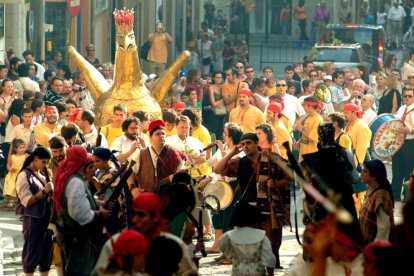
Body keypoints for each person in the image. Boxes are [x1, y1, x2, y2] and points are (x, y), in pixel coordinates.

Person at [214, 132, 291, 269]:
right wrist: (232, 153)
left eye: (248, 143)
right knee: (250, 248)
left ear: (256, 143)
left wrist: (275, 184)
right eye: (243, 144)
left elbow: (289, 176)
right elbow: (217, 169)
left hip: (269, 209)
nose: (245, 147)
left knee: (271, 244)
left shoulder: (272, 158)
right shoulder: (239, 162)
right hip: (248, 210)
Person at [93, 192, 198, 276]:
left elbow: (188, 272)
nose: (134, 220)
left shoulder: (173, 245)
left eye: (141, 215)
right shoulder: (116, 242)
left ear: (155, 217)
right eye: (133, 214)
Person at [53, 145, 112, 276]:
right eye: (90, 166)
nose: (93, 169)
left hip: (73, 235)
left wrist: (98, 202)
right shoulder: (75, 182)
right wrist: (99, 214)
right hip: (76, 236)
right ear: (81, 164)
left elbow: (80, 200)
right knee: (79, 271)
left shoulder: (75, 179)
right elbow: (79, 213)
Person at [15, 147, 53, 275]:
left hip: (46, 217)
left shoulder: (42, 174)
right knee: (32, 251)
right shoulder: (23, 175)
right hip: (33, 219)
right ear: (35, 159)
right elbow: (26, 201)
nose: (46, 165)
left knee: (47, 252)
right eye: (44, 162)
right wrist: (43, 192)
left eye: (47, 162)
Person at [128, 120, 186, 197]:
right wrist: (132, 188)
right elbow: (129, 171)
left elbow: (180, 172)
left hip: (168, 198)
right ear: (151, 138)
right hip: (146, 197)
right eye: (157, 134)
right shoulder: (140, 154)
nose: (161, 136)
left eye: (163, 133)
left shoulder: (173, 153)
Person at [219, 201, 276, 276]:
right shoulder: (261, 236)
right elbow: (269, 259)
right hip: (257, 272)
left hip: (238, 272)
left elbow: (222, 246)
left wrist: (230, 255)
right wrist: (271, 274)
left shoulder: (228, 236)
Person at [359, 159, 394, 244]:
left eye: (365, 171)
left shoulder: (381, 195)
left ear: (374, 175)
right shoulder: (370, 191)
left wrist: (376, 250)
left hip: (376, 248)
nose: (362, 174)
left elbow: (383, 228)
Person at [392, 87, 414, 201]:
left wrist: (409, 130)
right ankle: (395, 196)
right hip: (398, 143)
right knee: (396, 171)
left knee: (408, 171)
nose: (407, 98)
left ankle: (407, 197)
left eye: (410, 96)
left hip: (410, 143)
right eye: (405, 96)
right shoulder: (401, 109)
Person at [296, 96, 324, 162]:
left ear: (310, 107)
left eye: (304, 105)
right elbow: (307, 131)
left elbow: (312, 139)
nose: (303, 107)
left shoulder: (318, 120)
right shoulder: (308, 116)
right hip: (304, 151)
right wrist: (300, 140)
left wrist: (301, 129)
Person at [4, 139, 27, 210]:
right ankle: (11, 201)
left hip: (22, 174)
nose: (22, 149)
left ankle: (19, 202)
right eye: (20, 148)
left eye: (23, 147)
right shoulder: (12, 156)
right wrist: (10, 169)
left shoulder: (26, 156)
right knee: (11, 187)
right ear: (15, 149)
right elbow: (8, 164)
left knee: (20, 188)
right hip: (14, 174)